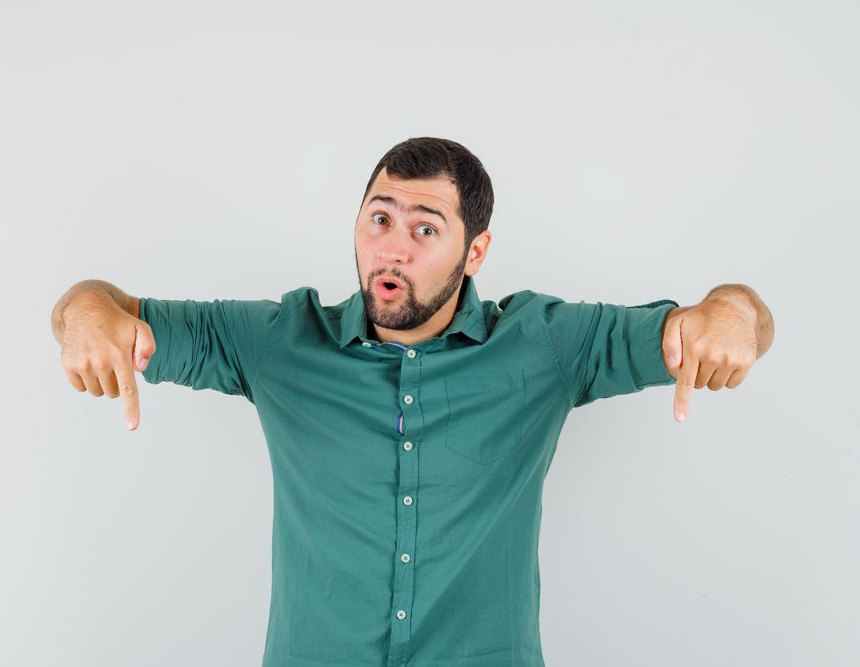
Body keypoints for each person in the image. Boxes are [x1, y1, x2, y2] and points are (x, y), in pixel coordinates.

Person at [50, 137, 774, 667]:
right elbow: (103, 306)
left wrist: (732, 316)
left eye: (426, 228)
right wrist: (84, 315)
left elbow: (730, 314)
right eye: (380, 219)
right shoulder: (279, 340)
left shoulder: (547, 343)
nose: (393, 248)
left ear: (476, 252)